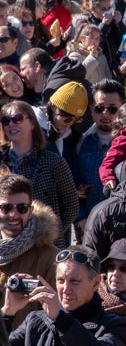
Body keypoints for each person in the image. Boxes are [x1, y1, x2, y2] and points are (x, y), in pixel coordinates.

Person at [0, 245, 126, 346]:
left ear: (95, 283)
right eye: (60, 280)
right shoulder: (35, 321)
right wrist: (7, 313)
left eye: (74, 281)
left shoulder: (114, 325)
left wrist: (60, 319)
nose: (66, 289)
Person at [0, 100, 77, 247]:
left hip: (45, 246)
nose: (11, 124)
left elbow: (71, 208)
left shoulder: (54, 162)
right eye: (5, 120)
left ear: (33, 123)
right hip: (5, 246)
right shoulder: (1, 162)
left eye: (17, 118)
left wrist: (50, 232)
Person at [0, 174, 58, 328]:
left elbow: (55, 319)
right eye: (6, 208)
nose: (13, 215)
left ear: (30, 211)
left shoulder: (50, 258)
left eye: (22, 208)